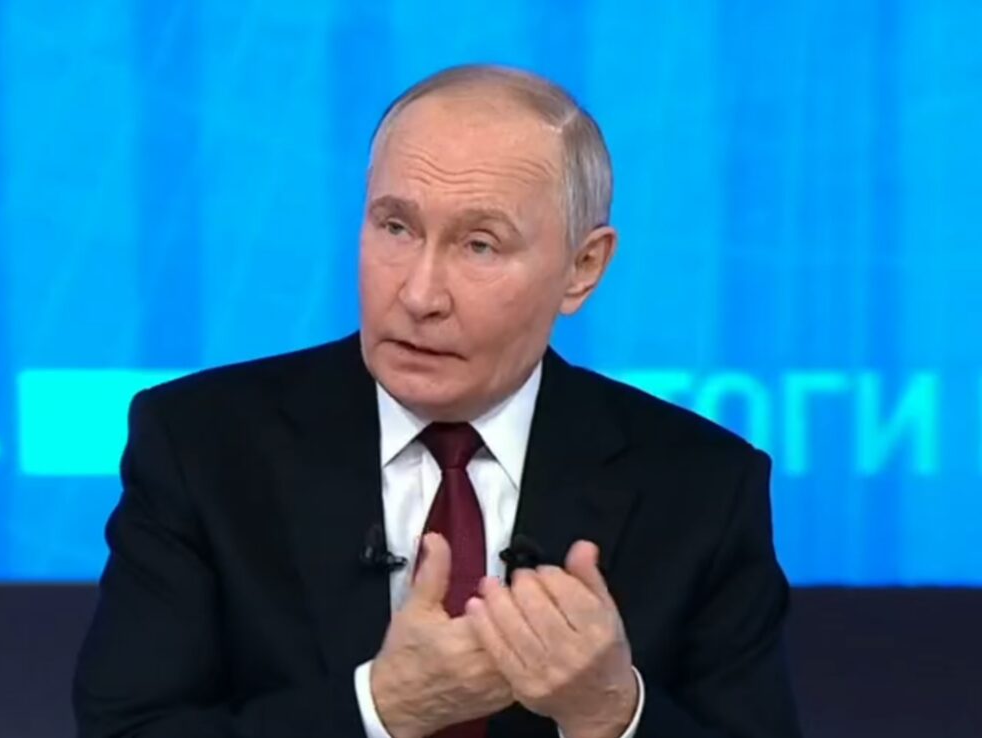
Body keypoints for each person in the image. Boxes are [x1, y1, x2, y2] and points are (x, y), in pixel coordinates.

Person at [73, 64, 802, 738]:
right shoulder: (202, 446)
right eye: (396, 227)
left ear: (583, 268)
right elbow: (127, 731)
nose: (419, 295)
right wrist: (380, 709)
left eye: (479, 245)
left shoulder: (702, 488)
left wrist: (611, 713)